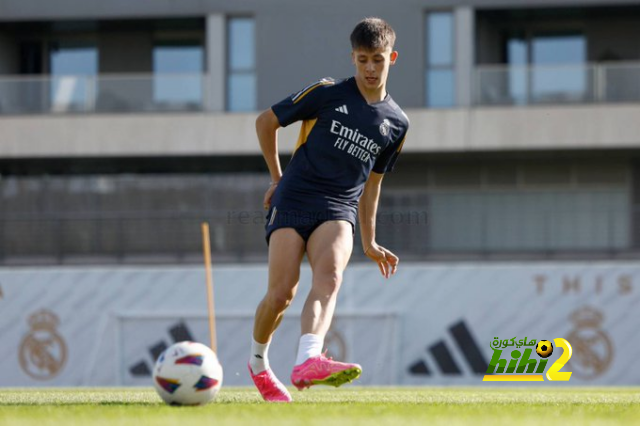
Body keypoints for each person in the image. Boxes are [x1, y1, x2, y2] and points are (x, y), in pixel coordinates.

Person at [248, 17, 409, 402]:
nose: (370, 68)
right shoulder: (327, 92)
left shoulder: (397, 124)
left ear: (393, 58)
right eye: (363, 59)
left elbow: (374, 183)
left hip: (339, 207)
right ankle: (258, 363)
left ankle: (308, 359)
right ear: (353, 58)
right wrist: (276, 178)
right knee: (281, 293)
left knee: (331, 277)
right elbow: (266, 122)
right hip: (295, 197)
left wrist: (369, 240)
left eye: (378, 60)